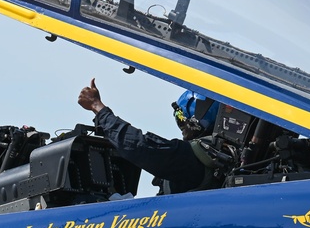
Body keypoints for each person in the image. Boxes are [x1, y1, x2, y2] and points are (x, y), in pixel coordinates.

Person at [78, 78, 222, 193]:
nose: (180, 123)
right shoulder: (224, 155)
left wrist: (97, 107)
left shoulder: (191, 158)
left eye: (180, 116)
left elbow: (138, 145)